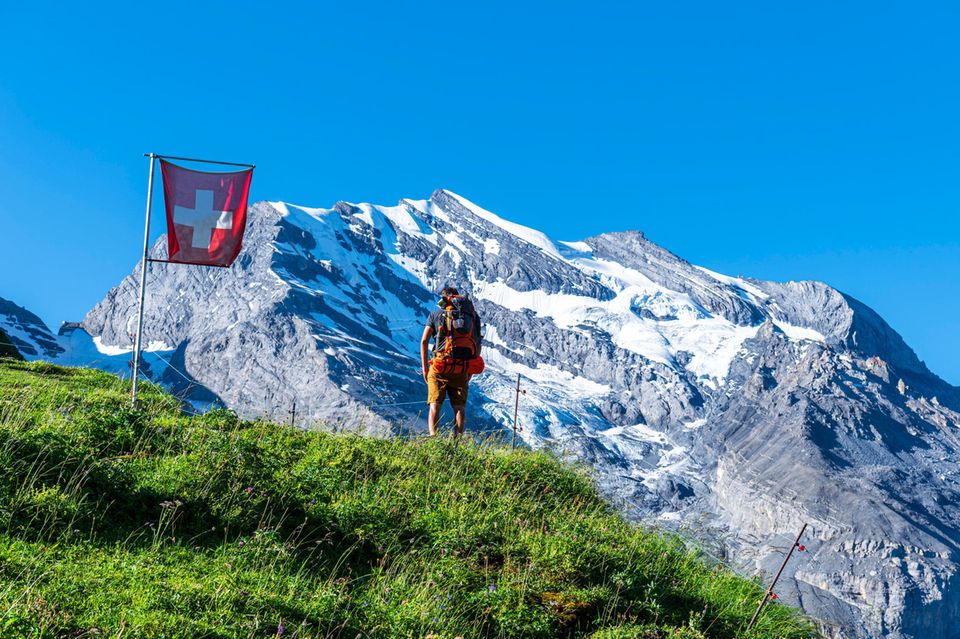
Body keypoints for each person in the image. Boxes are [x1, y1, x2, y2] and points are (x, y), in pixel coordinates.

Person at [420, 287, 482, 436]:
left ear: (444, 299)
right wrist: (469, 370)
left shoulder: (435, 315)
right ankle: (457, 441)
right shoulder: (472, 317)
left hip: (439, 366)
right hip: (461, 368)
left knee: (435, 405)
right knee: (459, 407)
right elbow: (477, 344)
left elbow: (424, 341)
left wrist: (425, 369)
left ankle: (434, 438)